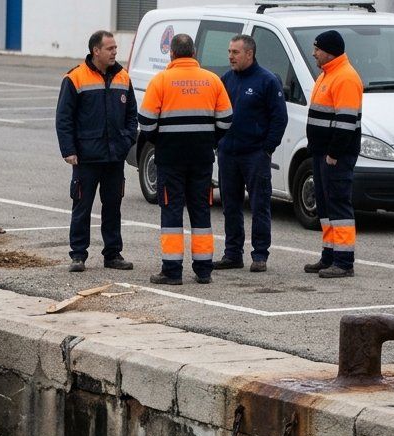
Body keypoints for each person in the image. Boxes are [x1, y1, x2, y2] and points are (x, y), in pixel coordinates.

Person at [138, 34, 232, 285]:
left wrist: (161, 140)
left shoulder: (161, 81)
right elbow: (226, 119)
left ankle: (172, 270)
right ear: (194, 52)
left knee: (171, 212)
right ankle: (203, 270)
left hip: (170, 159)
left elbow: (146, 122)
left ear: (171, 54)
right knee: (201, 212)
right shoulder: (212, 80)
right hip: (201, 158)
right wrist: (210, 140)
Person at [55, 30, 138, 273]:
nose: (114, 52)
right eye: (110, 48)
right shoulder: (75, 78)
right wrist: (69, 150)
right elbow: (64, 118)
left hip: (114, 157)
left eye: (115, 48)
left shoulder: (123, 77)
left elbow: (132, 115)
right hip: (86, 157)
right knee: (82, 207)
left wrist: (126, 141)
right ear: (96, 51)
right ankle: (78, 255)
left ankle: (112, 254)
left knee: (113, 207)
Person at [218, 34, 287, 273]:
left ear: (249, 54)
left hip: (255, 155)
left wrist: (267, 148)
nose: (230, 56)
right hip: (228, 153)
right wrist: (218, 142)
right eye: (229, 52)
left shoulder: (267, 81)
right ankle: (232, 254)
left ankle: (259, 255)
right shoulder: (226, 80)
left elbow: (279, 118)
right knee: (230, 206)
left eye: (235, 52)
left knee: (259, 205)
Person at [304, 29, 363, 278]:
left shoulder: (345, 77)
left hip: (335, 155)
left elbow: (346, 122)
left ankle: (344, 261)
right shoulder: (327, 74)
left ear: (329, 52)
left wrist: (334, 153)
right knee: (326, 207)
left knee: (338, 206)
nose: (314, 53)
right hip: (322, 153)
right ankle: (329, 256)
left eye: (317, 49)